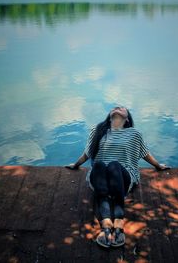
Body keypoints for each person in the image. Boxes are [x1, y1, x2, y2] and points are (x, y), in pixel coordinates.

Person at [65, 106, 169, 248]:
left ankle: (119, 223)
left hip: (123, 175)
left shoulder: (134, 133)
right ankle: (106, 225)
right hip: (99, 176)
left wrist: (157, 165)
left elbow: (145, 153)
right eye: (115, 107)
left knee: (114, 165)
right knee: (100, 165)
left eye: (122, 108)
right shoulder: (98, 131)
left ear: (127, 119)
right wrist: (76, 165)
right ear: (110, 116)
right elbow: (87, 153)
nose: (117, 108)